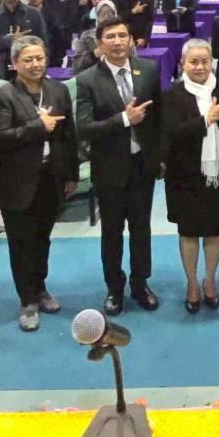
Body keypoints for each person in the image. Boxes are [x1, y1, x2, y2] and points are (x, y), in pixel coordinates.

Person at [0, 35, 78, 332]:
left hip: (51, 177)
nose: (35, 64)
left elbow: (68, 135)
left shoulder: (58, 90)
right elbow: (1, 137)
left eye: (40, 58)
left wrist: (71, 174)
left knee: (42, 239)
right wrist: (39, 126)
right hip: (16, 180)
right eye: (28, 59)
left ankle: (40, 288)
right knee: (21, 243)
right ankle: (27, 300)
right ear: (14, 63)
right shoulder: (3, 95)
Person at [76, 18, 162, 316]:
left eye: (122, 35)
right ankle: (114, 287)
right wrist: (124, 119)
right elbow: (84, 127)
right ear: (100, 44)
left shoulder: (148, 70)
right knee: (111, 231)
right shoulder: (87, 79)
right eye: (110, 37)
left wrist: (159, 157)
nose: (117, 41)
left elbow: (158, 118)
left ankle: (140, 283)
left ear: (131, 40)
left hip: (142, 166)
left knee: (141, 228)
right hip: (109, 167)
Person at [160, 39, 219, 313]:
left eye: (204, 61)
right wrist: (206, 120)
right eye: (193, 62)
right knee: (188, 232)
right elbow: (171, 134)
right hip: (184, 176)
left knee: (214, 230)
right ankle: (192, 284)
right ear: (182, 64)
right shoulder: (171, 94)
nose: (199, 67)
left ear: (212, 63)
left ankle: (209, 281)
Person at [26, 0, 68, 68]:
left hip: (50, 58)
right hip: (28, 57)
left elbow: (59, 38)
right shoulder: (23, 14)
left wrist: (58, 59)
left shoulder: (52, 14)